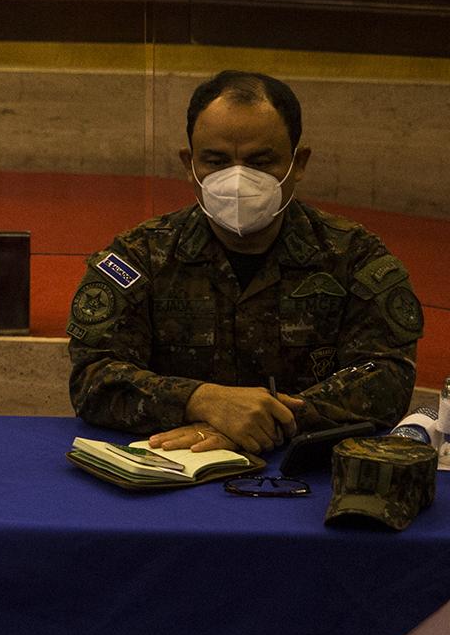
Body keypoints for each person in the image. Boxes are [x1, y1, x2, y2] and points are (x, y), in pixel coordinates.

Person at [69, 70, 421, 454]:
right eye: (216, 161)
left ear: (298, 162)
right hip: (170, 470)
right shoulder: (141, 256)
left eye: (260, 161)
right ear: (189, 165)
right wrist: (201, 399)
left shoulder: (353, 257)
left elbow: (387, 378)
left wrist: (259, 424)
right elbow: (93, 378)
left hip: (300, 475)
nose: (237, 179)